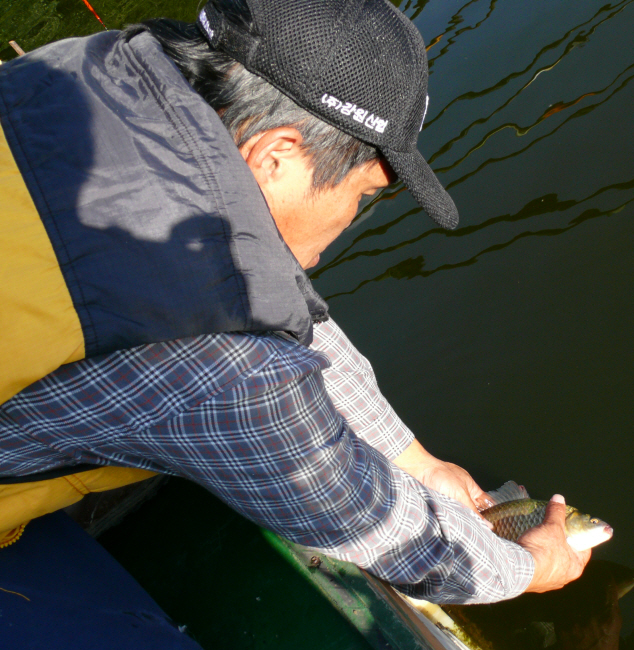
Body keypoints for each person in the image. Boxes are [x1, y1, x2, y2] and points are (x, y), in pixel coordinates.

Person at [0, 0, 588, 611]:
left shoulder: (80, 68)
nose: (350, 218)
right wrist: (528, 565)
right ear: (275, 156)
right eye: (363, 194)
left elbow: (271, 306)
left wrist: (417, 461)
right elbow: (365, 517)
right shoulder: (219, 348)